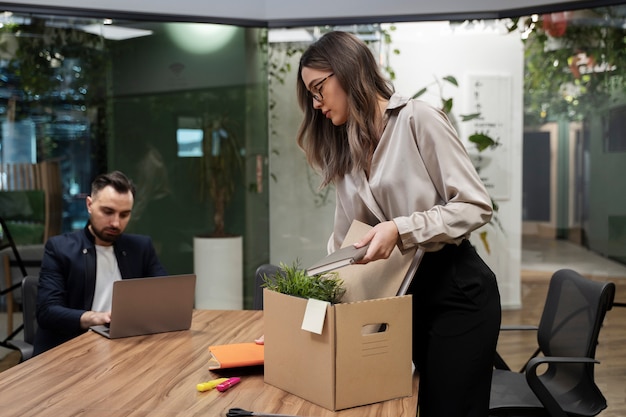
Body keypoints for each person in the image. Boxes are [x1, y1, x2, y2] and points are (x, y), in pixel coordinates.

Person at [296, 31, 501, 417]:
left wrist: (401, 229)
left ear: (349, 70)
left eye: (319, 87)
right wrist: (305, 321)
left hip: (457, 294)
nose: (316, 102)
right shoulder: (345, 149)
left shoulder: (418, 120)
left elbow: (475, 205)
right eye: (310, 94)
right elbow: (344, 243)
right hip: (402, 300)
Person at [33, 170, 167, 355]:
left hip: (126, 347)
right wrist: (96, 317)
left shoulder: (140, 247)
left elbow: (165, 295)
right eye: (108, 212)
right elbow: (47, 312)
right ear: (89, 204)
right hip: (72, 350)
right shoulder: (60, 248)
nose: (116, 223)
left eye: (124, 214)